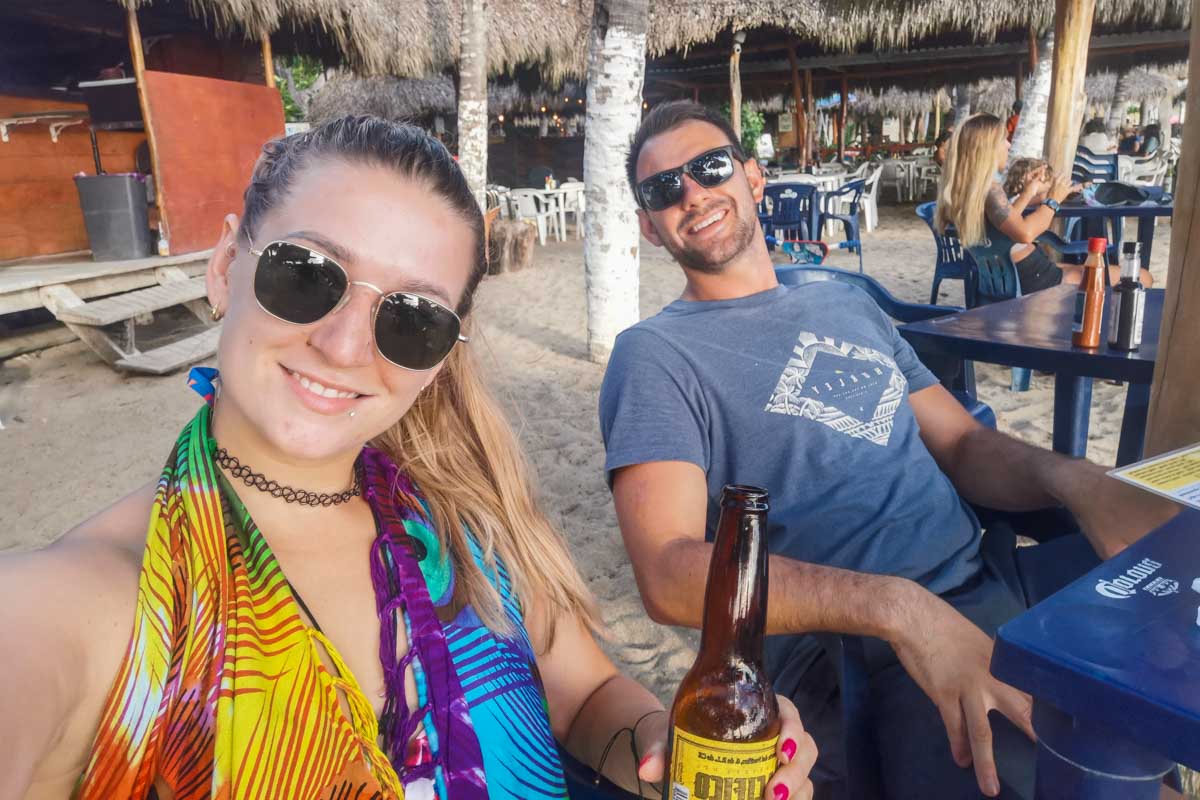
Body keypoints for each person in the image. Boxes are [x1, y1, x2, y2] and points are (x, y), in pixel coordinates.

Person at [0, 117, 818, 800]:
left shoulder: (463, 524)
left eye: (412, 320)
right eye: (306, 274)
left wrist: (661, 749)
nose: (345, 345)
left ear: (442, 354)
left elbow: (588, 696)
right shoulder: (89, 603)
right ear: (224, 266)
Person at [599, 100, 1180, 799]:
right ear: (647, 226)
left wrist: (1080, 482)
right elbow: (666, 574)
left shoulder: (843, 301)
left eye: (709, 168)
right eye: (664, 189)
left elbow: (962, 443)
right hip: (855, 656)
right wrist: (897, 609)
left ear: (754, 178)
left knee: (1146, 743)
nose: (691, 193)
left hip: (995, 587)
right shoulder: (655, 355)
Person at [936, 113, 1151, 293]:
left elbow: (1005, 222)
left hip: (1012, 276)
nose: (1008, 144)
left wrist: (1029, 191)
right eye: (1003, 139)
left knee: (1084, 268)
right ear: (987, 148)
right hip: (1036, 280)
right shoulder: (990, 190)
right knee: (1141, 276)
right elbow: (1025, 233)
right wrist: (1053, 200)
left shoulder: (967, 191)